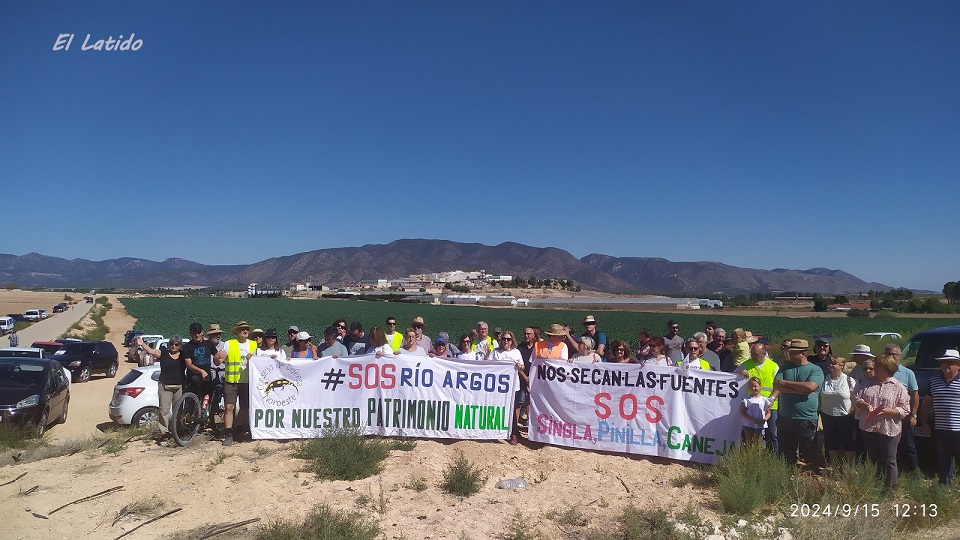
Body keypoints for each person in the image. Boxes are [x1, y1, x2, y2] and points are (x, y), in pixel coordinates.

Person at [852, 354, 910, 489]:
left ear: (887, 368)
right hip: (869, 427)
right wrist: (864, 405)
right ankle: (877, 484)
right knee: (874, 458)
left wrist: (889, 411)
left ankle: (890, 488)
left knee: (889, 460)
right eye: (875, 365)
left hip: (888, 428)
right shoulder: (866, 382)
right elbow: (856, 398)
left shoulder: (898, 387)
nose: (875, 369)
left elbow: (905, 409)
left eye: (878, 366)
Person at [774, 339, 824, 470]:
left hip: (806, 418)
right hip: (785, 417)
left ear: (803, 353)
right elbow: (777, 384)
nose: (789, 355)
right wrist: (798, 391)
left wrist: (787, 384)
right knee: (786, 453)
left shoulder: (815, 370)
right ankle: (788, 476)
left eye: (792, 352)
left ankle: (811, 478)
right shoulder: (785, 367)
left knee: (809, 452)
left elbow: (810, 387)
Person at [920, 349, 960, 484]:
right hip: (942, 429)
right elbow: (927, 403)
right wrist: (924, 421)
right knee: (943, 459)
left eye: (950, 363)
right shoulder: (934, 380)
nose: (946, 365)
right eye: (943, 363)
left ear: (958, 365)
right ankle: (945, 486)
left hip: (959, 429)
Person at [138, 334, 185, 442]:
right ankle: (164, 432)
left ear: (180, 346)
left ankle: (177, 430)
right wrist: (142, 344)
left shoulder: (183, 355)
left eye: (176, 344)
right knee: (164, 411)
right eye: (172, 344)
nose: (173, 346)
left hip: (179, 386)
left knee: (178, 410)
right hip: (165, 387)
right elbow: (151, 351)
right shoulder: (163, 353)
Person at [737, 342, 780, 452]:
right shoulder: (746, 364)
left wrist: (772, 399)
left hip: (770, 406)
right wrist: (739, 372)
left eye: (756, 354)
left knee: (771, 433)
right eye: (752, 354)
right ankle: (752, 457)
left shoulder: (773, 366)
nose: (753, 356)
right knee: (751, 435)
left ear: (764, 354)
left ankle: (773, 458)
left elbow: (779, 385)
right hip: (751, 405)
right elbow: (731, 377)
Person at [887, 344, 919, 473]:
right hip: (887, 416)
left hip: (903, 415)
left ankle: (914, 471)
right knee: (890, 446)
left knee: (908, 444)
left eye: (893, 354)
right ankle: (894, 470)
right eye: (888, 354)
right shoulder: (881, 372)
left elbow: (915, 395)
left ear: (899, 356)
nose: (890, 356)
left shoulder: (907, 373)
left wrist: (914, 415)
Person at [222, 321, 255, 446]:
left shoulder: (254, 345)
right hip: (231, 381)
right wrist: (218, 357)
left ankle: (239, 428)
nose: (245, 331)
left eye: (246, 329)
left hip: (247, 381)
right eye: (242, 329)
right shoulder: (229, 344)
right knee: (229, 407)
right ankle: (228, 434)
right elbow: (219, 360)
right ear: (237, 332)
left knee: (245, 408)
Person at [819, 356, 856, 464]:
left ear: (841, 366)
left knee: (847, 442)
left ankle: (850, 468)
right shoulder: (825, 379)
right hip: (827, 414)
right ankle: (832, 465)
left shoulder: (849, 380)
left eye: (834, 363)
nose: (830, 365)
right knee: (831, 441)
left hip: (845, 416)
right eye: (830, 363)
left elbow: (854, 397)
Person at [491, 330, 525, 445]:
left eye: (508, 339)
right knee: (498, 409)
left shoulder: (516, 352)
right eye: (504, 339)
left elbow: (522, 366)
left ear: (512, 341)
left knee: (512, 411)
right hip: (497, 387)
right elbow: (487, 365)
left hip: (513, 387)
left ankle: (513, 434)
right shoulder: (496, 352)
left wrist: (520, 367)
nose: (506, 341)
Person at [740, 377, 771, 444]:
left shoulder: (764, 400)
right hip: (748, 424)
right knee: (748, 443)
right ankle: (749, 454)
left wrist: (764, 419)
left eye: (755, 386)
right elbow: (742, 412)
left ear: (760, 386)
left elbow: (768, 413)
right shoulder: (746, 399)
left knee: (758, 444)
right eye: (751, 386)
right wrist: (752, 419)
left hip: (760, 424)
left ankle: (757, 454)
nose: (753, 388)